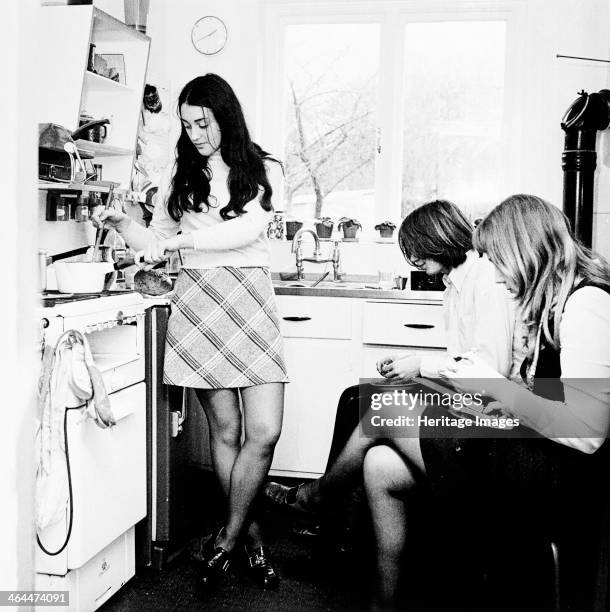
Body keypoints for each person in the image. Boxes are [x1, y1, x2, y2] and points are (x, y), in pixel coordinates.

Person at [362, 194, 610, 609]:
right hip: (532, 448)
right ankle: (384, 603)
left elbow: (586, 433)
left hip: (559, 477)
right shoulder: (551, 300)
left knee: (384, 410)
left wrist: (495, 389)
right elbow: (541, 396)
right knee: (380, 464)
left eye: (497, 261)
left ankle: (320, 506)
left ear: (524, 252)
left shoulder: (588, 303)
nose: (494, 276)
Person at [92, 74, 288, 589]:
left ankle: (226, 538)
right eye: (186, 124)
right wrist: (121, 224)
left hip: (249, 298)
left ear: (227, 115)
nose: (196, 133)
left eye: (204, 122)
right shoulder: (183, 172)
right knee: (227, 432)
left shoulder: (264, 168)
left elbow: (248, 229)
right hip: (199, 302)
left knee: (264, 432)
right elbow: (156, 241)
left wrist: (182, 246)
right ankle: (249, 538)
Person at [264, 199, 524, 515]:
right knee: (353, 399)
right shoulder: (454, 284)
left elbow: (489, 369)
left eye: (417, 248)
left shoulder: (484, 277)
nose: (413, 259)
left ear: (439, 239)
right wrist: (410, 361)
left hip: (491, 408)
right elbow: (463, 358)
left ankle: (319, 499)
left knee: (376, 408)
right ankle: (334, 510)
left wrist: (420, 367)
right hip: (472, 398)